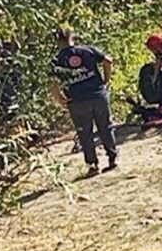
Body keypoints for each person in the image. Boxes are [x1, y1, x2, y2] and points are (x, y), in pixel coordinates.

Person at [50, 29, 117, 175]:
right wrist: (106, 80)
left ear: (57, 41)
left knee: (85, 133)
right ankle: (112, 158)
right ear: (72, 36)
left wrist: (59, 98)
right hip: (98, 95)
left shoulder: (57, 60)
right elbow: (108, 60)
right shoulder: (87, 50)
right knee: (106, 126)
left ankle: (93, 165)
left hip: (77, 100)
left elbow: (53, 82)